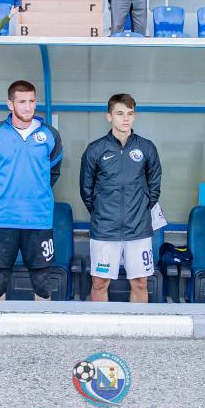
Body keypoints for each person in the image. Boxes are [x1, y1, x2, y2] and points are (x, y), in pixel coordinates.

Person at [0, 80, 63, 301]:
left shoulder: (50, 134)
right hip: (2, 218)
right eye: (22, 101)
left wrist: (35, 191)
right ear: (10, 104)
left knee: (42, 283)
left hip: (38, 219)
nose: (28, 107)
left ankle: (41, 324)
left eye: (32, 101)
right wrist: (5, 194)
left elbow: (54, 172)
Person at [78, 94, 161, 303]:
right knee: (99, 282)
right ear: (109, 116)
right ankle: (101, 325)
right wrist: (102, 212)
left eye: (130, 113)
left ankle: (137, 325)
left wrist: (139, 211)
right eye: (120, 113)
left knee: (140, 282)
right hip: (105, 228)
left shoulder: (146, 147)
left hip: (138, 228)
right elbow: (86, 190)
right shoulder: (95, 149)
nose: (126, 118)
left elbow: (154, 188)